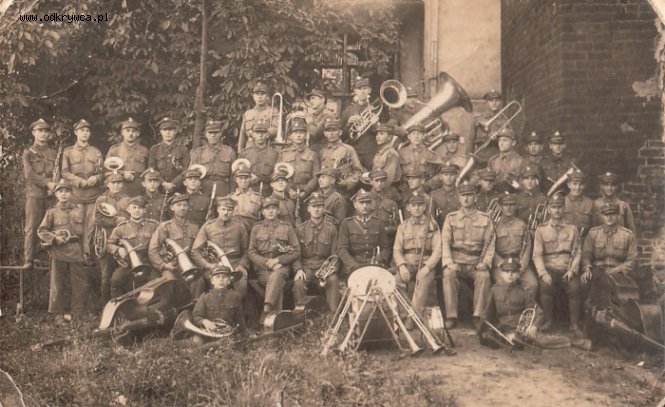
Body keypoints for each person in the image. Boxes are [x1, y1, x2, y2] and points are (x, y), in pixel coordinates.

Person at [441, 181, 495, 329]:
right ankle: (451, 316)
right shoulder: (450, 218)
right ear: (459, 197)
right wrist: (449, 263)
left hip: (475, 262)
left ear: (475, 197)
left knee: (484, 276)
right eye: (463, 195)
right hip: (456, 261)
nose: (466, 198)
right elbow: (445, 243)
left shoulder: (485, 219)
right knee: (448, 274)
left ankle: (478, 316)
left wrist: (485, 262)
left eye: (469, 195)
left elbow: (490, 244)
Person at [532, 193, 583, 336]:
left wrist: (572, 270)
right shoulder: (541, 230)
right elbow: (537, 255)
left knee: (575, 288)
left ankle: (574, 324)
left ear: (564, 209)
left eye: (560, 207)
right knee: (545, 287)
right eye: (554, 207)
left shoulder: (572, 229)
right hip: (550, 269)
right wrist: (543, 273)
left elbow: (577, 252)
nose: (557, 210)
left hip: (567, 268)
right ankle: (548, 321)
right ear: (548, 209)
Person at [37, 180, 89, 321]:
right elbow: (41, 231)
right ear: (56, 194)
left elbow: (84, 232)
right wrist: (54, 239)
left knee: (79, 284)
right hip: (58, 251)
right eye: (60, 191)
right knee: (58, 284)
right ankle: (57, 314)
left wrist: (85, 251)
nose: (64, 194)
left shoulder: (78, 210)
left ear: (71, 193)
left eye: (67, 191)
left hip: (75, 250)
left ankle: (77, 312)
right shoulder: (52, 212)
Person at [248, 196, 301, 319]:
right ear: (263, 212)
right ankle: (275, 319)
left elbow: (296, 251)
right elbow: (251, 252)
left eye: (274, 208)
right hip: (263, 269)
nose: (271, 211)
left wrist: (278, 261)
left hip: (282, 266)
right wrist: (266, 262)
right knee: (276, 282)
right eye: (267, 209)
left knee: (277, 276)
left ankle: (267, 309)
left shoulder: (287, 227)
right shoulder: (256, 228)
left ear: (278, 211)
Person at [393, 191, 442, 322]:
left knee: (422, 284)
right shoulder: (403, 227)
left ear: (424, 207)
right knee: (396, 282)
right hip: (407, 264)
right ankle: (404, 314)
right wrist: (402, 266)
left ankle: (412, 318)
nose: (417, 208)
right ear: (408, 208)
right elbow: (397, 250)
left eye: (420, 205)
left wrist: (427, 267)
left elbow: (438, 250)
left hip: (425, 265)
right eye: (413, 205)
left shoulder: (432, 226)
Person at [61, 119, 104, 263]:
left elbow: (102, 172)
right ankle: (76, 255)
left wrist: (96, 178)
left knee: (91, 226)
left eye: (87, 131)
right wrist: (79, 181)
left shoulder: (96, 152)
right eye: (81, 131)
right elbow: (65, 173)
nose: (85, 133)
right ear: (76, 132)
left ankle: (88, 254)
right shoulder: (68, 152)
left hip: (92, 195)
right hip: (76, 195)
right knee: (76, 224)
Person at [148, 193, 206, 298]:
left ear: (188, 207)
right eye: (179, 205)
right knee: (170, 283)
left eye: (185, 205)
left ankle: (194, 306)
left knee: (199, 282)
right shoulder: (165, 227)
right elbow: (153, 250)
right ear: (172, 208)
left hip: (190, 265)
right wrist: (164, 265)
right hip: (171, 267)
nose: (182, 208)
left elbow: (200, 249)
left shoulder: (194, 227)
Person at [192, 196, 250, 298]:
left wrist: (241, 265)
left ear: (233, 211)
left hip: (235, 264)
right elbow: (195, 251)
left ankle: (239, 306)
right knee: (215, 287)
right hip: (215, 264)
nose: (226, 213)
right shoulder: (208, 226)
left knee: (241, 284)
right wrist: (208, 265)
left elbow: (246, 250)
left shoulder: (240, 227)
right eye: (223, 209)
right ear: (218, 209)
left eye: (229, 210)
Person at [292, 192, 341, 312]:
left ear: (323, 208)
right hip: (306, 267)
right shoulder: (300, 229)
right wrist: (298, 269)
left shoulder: (331, 229)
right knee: (298, 284)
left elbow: (335, 255)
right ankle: (301, 315)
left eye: (319, 206)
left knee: (333, 280)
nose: (317, 209)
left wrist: (330, 270)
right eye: (313, 206)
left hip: (324, 266)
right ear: (308, 209)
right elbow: (296, 253)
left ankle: (332, 315)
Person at [478, 258, 540, 349]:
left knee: (518, 340)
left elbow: (538, 312)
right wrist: (481, 330)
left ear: (518, 275)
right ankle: (503, 340)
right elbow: (487, 313)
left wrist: (534, 326)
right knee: (488, 337)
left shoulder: (523, 292)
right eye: (507, 271)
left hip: (517, 329)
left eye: (513, 272)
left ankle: (514, 341)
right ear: (502, 274)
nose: (510, 274)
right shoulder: (495, 290)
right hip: (501, 329)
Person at [107, 196, 160, 297]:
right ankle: (118, 304)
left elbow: (162, 241)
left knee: (157, 282)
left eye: (140, 208)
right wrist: (118, 249)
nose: (137, 210)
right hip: (128, 263)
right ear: (128, 210)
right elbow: (108, 244)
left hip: (148, 262)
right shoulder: (121, 228)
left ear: (144, 210)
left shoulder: (153, 225)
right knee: (116, 280)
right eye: (134, 207)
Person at [22, 118, 57, 269]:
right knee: (32, 226)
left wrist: (54, 186)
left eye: (45, 131)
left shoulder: (54, 153)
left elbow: (57, 173)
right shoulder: (28, 153)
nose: (43, 134)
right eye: (40, 131)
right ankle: (29, 259)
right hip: (35, 194)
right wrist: (46, 184)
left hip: (51, 195)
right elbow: (29, 175)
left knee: (49, 226)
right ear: (33, 133)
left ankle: (46, 258)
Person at [491, 193, 537, 302]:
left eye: (512, 205)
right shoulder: (494, 225)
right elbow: (490, 247)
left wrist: (522, 266)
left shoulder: (522, 225)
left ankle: (526, 309)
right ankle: (506, 311)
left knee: (532, 284)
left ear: (516, 206)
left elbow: (527, 247)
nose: (509, 208)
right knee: (502, 283)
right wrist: (500, 263)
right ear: (500, 206)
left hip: (518, 262)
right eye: (505, 205)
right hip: (501, 263)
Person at [92, 173, 130, 303]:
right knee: (106, 275)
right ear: (108, 184)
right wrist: (115, 221)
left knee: (123, 273)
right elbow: (97, 219)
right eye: (113, 183)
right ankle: (105, 305)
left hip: (123, 241)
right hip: (107, 240)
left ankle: (122, 304)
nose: (116, 185)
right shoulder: (101, 200)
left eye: (119, 183)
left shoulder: (127, 199)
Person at [581, 202, 637, 285]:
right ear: (602, 216)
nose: (609, 218)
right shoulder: (593, 233)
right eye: (606, 215)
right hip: (598, 271)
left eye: (613, 214)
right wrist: (587, 268)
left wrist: (617, 269)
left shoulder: (627, 235)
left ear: (618, 216)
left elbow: (632, 260)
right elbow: (586, 255)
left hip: (619, 272)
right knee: (586, 282)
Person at [337, 189, 391, 273]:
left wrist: (379, 260)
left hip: (374, 264)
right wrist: (353, 265)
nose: (365, 206)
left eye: (367, 202)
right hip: (354, 266)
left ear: (371, 204)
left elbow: (386, 247)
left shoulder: (378, 223)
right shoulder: (347, 224)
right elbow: (342, 250)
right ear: (355, 204)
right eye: (361, 203)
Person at [191, 265, 246, 346]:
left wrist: (242, 332)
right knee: (197, 341)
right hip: (208, 334)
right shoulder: (205, 297)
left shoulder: (235, 296)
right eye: (217, 277)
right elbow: (196, 316)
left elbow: (239, 318)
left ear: (229, 281)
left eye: (224, 277)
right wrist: (205, 322)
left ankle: (215, 345)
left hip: (227, 334)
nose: (221, 280)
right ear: (212, 281)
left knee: (231, 343)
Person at [319, 118, 365, 197]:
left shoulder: (348, 149)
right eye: (328, 131)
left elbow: (359, 172)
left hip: (342, 192)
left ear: (340, 132)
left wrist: (347, 182)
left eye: (334, 130)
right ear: (325, 134)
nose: (331, 133)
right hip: (326, 192)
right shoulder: (323, 151)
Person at [190, 120, 236, 197]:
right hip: (204, 189)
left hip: (223, 189)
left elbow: (233, 176)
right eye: (210, 132)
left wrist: (232, 193)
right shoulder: (198, 153)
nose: (213, 135)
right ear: (205, 134)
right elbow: (192, 175)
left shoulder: (229, 152)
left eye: (216, 132)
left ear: (221, 133)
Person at [341, 77, 379, 169]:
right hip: (354, 151)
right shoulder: (348, 111)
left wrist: (375, 124)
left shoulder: (376, 109)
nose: (362, 91)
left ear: (369, 90)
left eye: (365, 88)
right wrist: (348, 124)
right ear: (355, 91)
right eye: (359, 89)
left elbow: (382, 133)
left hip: (371, 151)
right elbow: (342, 136)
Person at [278, 119, 320, 200]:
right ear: (291, 136)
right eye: (295, 132)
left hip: (307, 195)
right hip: (287, 194)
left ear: (305, 135)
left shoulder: (313, 155)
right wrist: (289, 190)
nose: (299, 135)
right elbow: (278, 175)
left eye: (301, 132)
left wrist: (306, 191)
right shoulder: (283, 154)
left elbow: (316, 177)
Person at [106, 117, 148, 197]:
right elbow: (107, 171)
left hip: (139, 189)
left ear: (138, 133)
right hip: (121, 188)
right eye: (127, 131)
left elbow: (149, 171)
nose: (130, 133)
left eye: (133, 131)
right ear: (122, 132)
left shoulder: (144, 151)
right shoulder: (115, 150)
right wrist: (123, 173)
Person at [466, 89, 508, 165]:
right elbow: (470, 140)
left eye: (497, 100)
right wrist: (468, 159)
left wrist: (498, 138)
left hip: (497, 159)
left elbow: (510, 141)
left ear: (500, 102)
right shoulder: (478, 119)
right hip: (480, 158)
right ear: (487, 102)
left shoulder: (504, 121)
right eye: (491, 100)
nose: (494, 103)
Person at [148, 117, 189, 193]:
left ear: (175, 131)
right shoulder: (154, 149)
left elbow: (186, 169)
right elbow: (151, 169)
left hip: (179, 188)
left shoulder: (183, 149)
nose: (168, 132)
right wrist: (163, 183)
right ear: (161, 132)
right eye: (165, 130)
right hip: (159, 188)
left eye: (170, 129)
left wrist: (174, 183)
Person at [238, 81, 277, 152]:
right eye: (257, 94)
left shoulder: (273, 112)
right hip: (249, 149)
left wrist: (260, 134)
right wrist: (240, 151)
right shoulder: (248, 113)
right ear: (253, 96)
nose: (260, 97)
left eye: (262, 94)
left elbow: (276, 130)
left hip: (267, 148)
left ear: (267, 96)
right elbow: (242, 134)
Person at [240, 122, 279, 191]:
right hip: (249, 191)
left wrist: (259, 179)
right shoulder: (245, 154)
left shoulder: (274, 154)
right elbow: (239, 174)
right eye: (257, 133)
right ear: (253, 135)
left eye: (263, 133)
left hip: (267, 191)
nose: (260, 135)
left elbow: (277, 175)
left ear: (267, 135)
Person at [230, 159, 263, 232]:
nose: (243, 181)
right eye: (240, 178)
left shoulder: (258, 197)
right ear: (235, 179)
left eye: (246, 178)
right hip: (234, 231)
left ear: (250, 179)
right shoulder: (230, 197)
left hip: (252, 230)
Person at [487, 128, 524, 192]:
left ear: (513, 143)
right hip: (495, 195)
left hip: (513, 196)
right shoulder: (493, 161)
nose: (501, 143)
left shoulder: (520, 161)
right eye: (499, 140)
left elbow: (524, 186)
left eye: (505, 140)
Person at [366, 170, 400, 240]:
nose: (379, 183)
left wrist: (386, 229)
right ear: (371, 182)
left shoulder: (392, 200)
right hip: (368, 239)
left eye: (382, 181)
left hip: (387, 239)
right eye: (376, 181)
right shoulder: (365, 199)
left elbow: (397, 225)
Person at [371, 123, 402, 189]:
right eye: (377, 134)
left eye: (381, 134)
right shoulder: (379, 153)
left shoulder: (392, 154)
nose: (378, 136)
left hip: (386, 189)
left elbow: (388, 180)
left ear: (389, 137)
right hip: (377, 187)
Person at [304, 88, 335, 153]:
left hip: (324, 152)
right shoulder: (315, 115)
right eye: (310, 99)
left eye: (313, 98)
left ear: (322, 100)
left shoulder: (327, 114)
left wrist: (309, 123)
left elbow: (316, 134)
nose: (311, 101)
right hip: (315, 150)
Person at [564, 170, 594, 235]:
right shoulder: (562, 202)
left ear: (584, 185)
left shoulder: (590, 203)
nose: (577, 188)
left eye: (581, 184)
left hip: (584, 239)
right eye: (574, 184)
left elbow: (594, 228)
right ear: (569, 185)